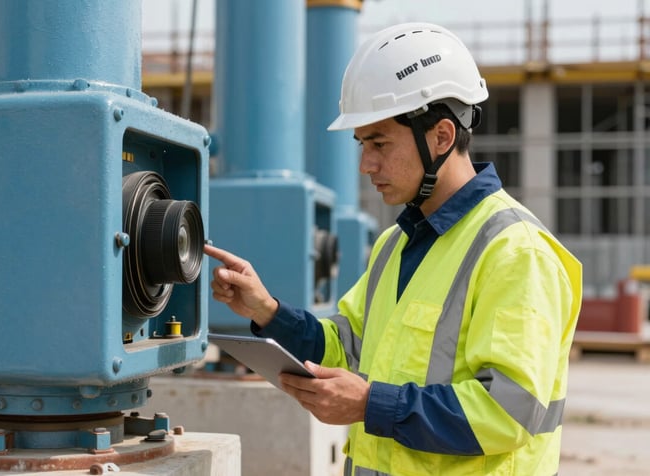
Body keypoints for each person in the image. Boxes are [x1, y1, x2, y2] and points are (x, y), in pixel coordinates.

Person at [205, 22, 582, 476]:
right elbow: (348, 348)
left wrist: (370, 404)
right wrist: (267, 311)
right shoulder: (395, 245)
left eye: (380, 143)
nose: (366, 165)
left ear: (442, 137)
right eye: (362, 144)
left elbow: (507, 413)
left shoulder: (516, 251)